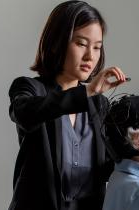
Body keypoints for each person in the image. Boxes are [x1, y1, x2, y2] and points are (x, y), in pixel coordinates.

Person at [8, 1, 128, 209]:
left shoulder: (100, 104)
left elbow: (110, 164)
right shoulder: (30, 89)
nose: (90, 56)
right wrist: (88, 91)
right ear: (57, 42)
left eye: (97, 47)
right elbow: (26, 114)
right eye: (81, 44)